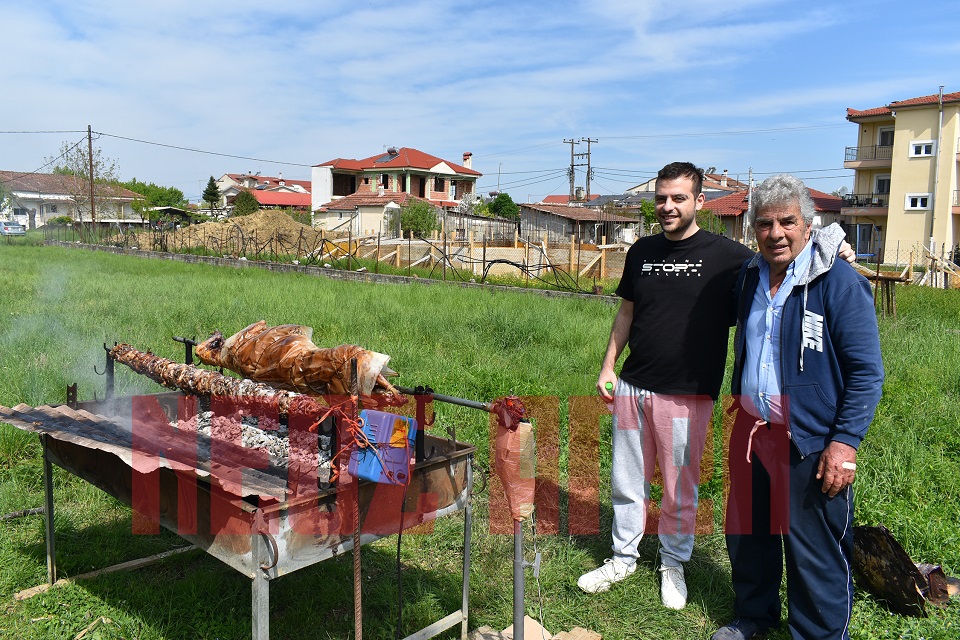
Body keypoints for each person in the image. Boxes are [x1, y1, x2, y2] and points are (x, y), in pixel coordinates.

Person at [711, 174, 883, 640]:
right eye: (764, 224)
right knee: (749, 536)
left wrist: (844, 444)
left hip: (809, 437)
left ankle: (820, 633)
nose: (776, 233)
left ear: (809, 225)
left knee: (815, 550)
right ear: (753, 230)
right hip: (751, 428)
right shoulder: (748, 277)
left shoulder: (838, 282)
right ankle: (754, 615)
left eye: (787, 221)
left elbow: (867, 372)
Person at [579, 161, 756, 609]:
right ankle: (622, 557)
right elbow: (626, 314)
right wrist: (607, 367)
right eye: (661, 197)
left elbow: (783, 263)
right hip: (635, 385)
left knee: (680, 485)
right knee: (627, 479)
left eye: (678, 198)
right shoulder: (641, 251)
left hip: (688, 392)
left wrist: (834, 253)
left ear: (700, 201)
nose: (668, 206)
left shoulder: (729, 257)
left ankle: (673, 562)